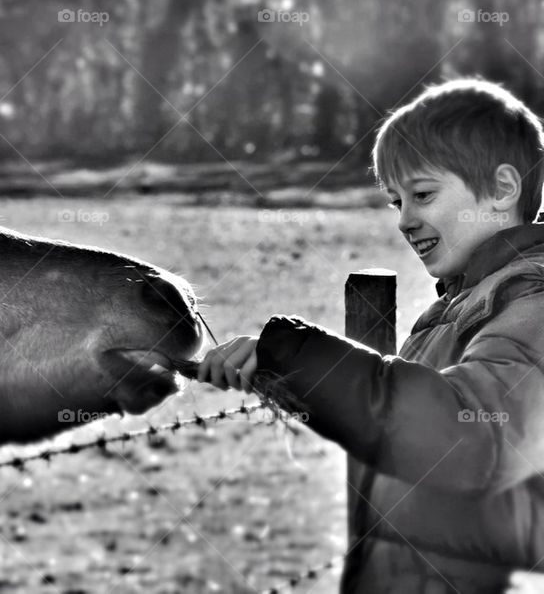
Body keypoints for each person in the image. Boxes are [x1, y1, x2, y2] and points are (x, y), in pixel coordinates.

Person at [196, 78, 544, 593]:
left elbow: (473, 440)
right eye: (394, 201)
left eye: (423, 194)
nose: (405, 220)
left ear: (503, 188)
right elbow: (398, 424)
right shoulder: (460, 303)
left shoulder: (531, 301)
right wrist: (282, 373)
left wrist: (299, 355)